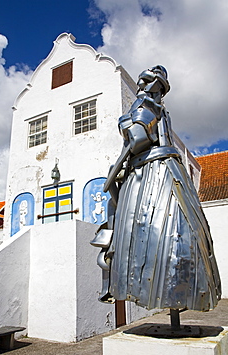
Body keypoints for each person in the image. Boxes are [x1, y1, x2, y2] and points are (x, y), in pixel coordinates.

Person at [91, 66, 221, 311]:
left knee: (124, 219)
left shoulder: (145, 105)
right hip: (166, 168)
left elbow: (138, 139)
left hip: (150, 171)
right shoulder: (157, 109)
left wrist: (121, 161)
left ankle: (117, 277)